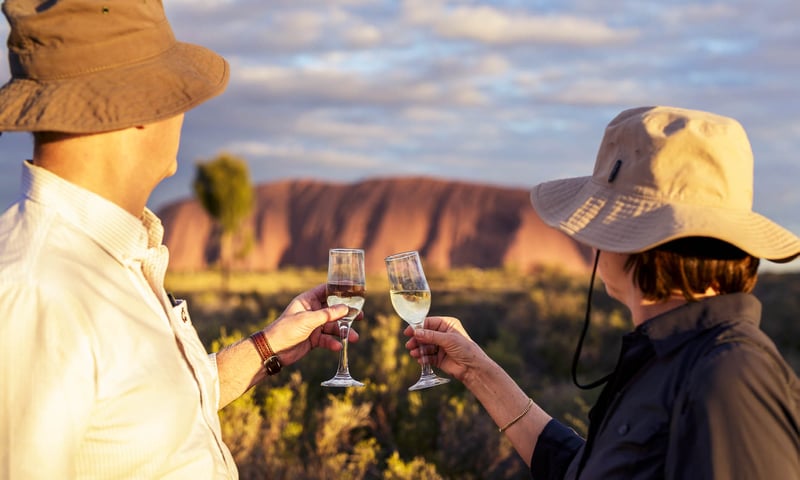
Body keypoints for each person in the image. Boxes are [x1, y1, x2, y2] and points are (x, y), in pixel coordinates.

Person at [0, 1, 357, 478]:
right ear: (138, 104)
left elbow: (149, 414)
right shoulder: (35, 292)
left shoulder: (108, 255)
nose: (183, 111)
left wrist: (267, 348)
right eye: (175, 90)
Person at [406, 105, 800, 479]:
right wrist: (477, 370)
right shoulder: (673, 354)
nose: (592, 241)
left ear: (644, 242)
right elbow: (584, 471)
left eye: (605, 218)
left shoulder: (730, 375)